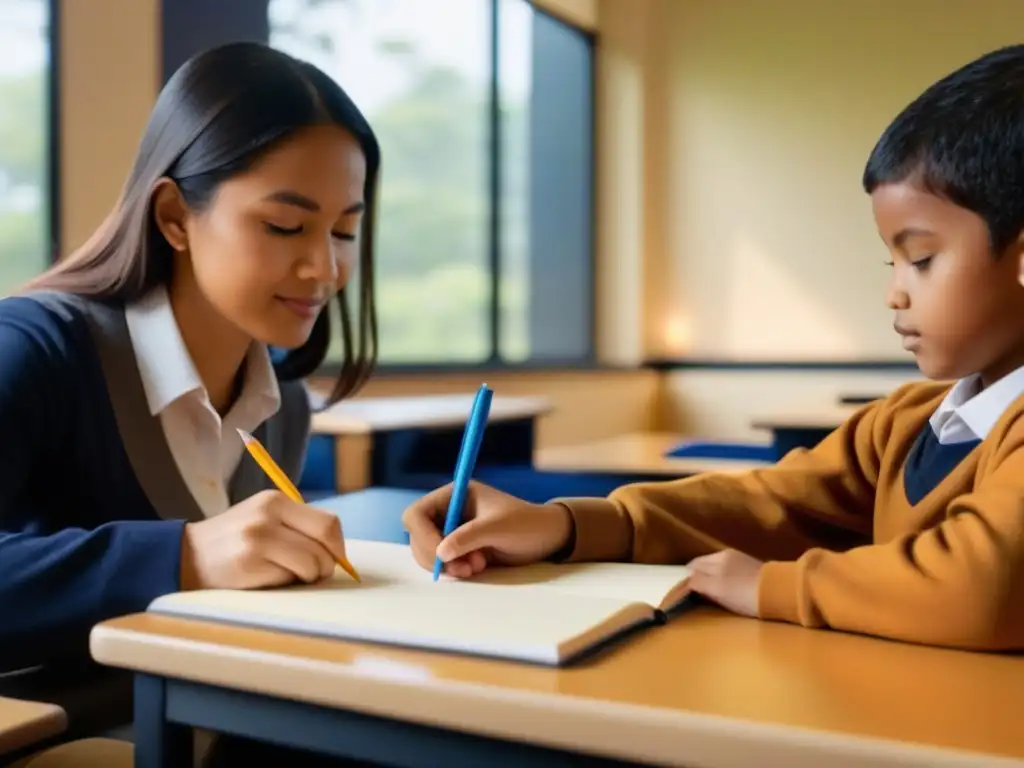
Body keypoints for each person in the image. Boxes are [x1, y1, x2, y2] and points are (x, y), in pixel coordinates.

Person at [404, 43, 1024, 652]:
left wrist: (772, 588)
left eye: (920, 259)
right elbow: (766, 505)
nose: (893, 294)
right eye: (890, 261)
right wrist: (567, 524)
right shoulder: (906, 425)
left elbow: (981, 588)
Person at [0, 42, 379, 765]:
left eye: (345, 230)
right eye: (285, 226)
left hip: (212, 721)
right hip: (62, 738)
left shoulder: (283, 402)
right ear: (174, 216)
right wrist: (185, 556)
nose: (324, 268)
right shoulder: (34, 349)